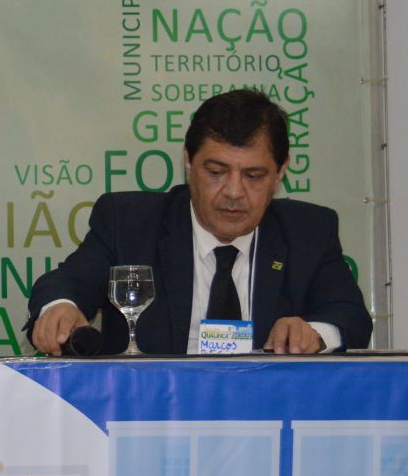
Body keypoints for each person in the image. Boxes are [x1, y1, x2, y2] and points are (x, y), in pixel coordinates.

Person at [27, 89, 372, 356]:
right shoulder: (128, 222)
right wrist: (61, 308)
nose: (234, 192)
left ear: (280, 172)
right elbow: (65, 284)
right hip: (155, 412)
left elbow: (350, 316)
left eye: (253, 175)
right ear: (189, 162)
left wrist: (314, 333)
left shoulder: (309, 231)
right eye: (216, 172)